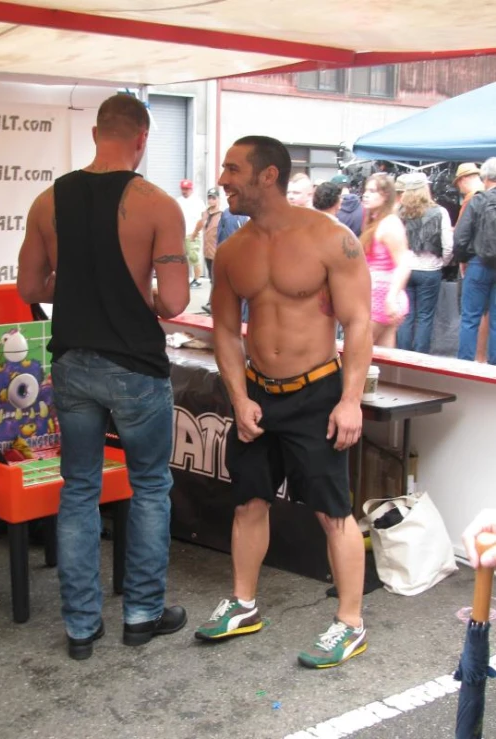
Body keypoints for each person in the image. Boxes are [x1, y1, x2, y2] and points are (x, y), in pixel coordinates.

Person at [17, 93, 189, 660]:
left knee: (79, 491)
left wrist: (73, 289)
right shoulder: (158, 204)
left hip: (71, 363)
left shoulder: (47, 200)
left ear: (96, 133)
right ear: (141, 139)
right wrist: (138, 288)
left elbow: (30, 289)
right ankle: (141, 614)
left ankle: (81, 627)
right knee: (150, 488)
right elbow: (175, 303)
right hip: (135, 367)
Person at [195, 135, 372, 670]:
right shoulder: (232, 249)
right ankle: (244, 603)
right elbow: (224, 330)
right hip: (259, 396)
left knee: (331, 511)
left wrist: (351, 401)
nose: (223, 178)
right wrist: (239, 396)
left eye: (233, 168)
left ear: (267, 175)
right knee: (249, 500)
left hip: (316, 395)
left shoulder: (330, 239)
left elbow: (359, 321)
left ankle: (350, 623)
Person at [396, 173, 453, 353]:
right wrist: (443, 262)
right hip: (430, 269)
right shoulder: (439, 212)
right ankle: (420, 356)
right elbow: (448, 244)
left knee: (406, 314)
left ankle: (403, 355)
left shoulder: (400, 212)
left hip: (405, 269)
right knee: (425, 316)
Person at [453, 157, 496, 365]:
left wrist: (463, 259)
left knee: (470, 318)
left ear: (485, 177)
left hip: (478, 263)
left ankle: (465, 365)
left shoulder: (478, 200)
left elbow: (461, 237)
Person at [361, 173, 411, 348]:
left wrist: (391, 297)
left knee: (359, 353)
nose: (366, 194)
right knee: (384, 358)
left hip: (381, 297)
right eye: (366, 190)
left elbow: (404, 262)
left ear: (386, 196)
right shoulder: (378, 222)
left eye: (373, 191)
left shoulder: (389, 224)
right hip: (379, 296)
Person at [176, 179, 206, 287]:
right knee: (182, 258)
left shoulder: (197, 201)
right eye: (183, 189)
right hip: (181, 234)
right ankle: (183, 278)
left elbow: (203, 218)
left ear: (191, 189)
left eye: (186, 189)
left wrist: (195, 233)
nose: (184, 191)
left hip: (193, 234)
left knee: (194, 257)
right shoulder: (178, 201)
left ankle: (197, 279)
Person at [192, 187, 223, 285]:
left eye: (213, 198)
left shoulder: (222, 215)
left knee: (216, 279)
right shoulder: (205, 213)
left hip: (217, 252)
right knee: (211, 277)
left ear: (218, 199)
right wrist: (194, 234)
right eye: (209, 198)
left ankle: (215, 299)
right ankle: (213, 299)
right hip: (207, 252)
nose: (211, 200)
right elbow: (200, 224)